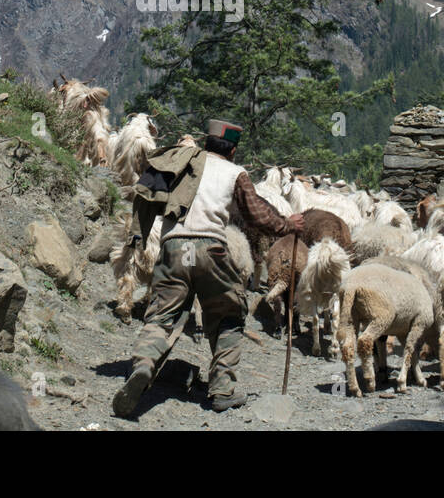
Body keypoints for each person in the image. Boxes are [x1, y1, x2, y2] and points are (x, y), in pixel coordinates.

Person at [112, 119, 304, 417]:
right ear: (233, 150)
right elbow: (256, 215)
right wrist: (287, 225)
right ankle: (222, 390)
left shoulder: (180, 162)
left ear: (206, 143)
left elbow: (147, 193)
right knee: (228, 315)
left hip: (174, 248)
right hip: (211, 250)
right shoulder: (235, 172)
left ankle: (143, 367)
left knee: (162, 316)